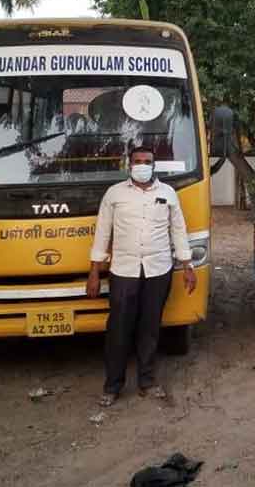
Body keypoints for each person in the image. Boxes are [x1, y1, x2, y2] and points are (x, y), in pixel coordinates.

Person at [87, 146, 197, 407]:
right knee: (118, 329)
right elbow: (103, 233)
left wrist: (188, 265)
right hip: (123, 271)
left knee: (150, 328)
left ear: (154, 165)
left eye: (147, 161)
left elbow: (178, 230)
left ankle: (147, 381)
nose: (142, 165)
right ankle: (113, 386)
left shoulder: (168, 193)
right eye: (137, 161)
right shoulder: (114, 194)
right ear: (129, 164)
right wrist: (94, 271)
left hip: (158, 270)